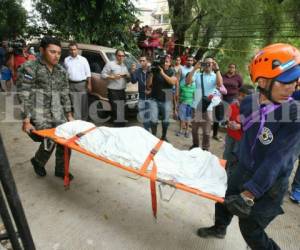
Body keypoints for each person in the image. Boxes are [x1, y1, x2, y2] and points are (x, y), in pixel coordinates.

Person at [197, 43, 300, 250]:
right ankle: (220, 227)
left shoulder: (293, 115)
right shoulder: (247, 103)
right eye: (286, 82)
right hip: (243, 168)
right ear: (262, 81)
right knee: (225, 199)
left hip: (270, 183)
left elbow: (277, 160)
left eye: (295, 80)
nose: (293, 87)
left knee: (250, 228)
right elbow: (251, 132)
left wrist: (250, 192)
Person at [16, 36, 74, 180]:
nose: (56, 56)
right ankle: (38, 161)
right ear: (42, 50)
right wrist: (27, 120)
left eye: (59, 53)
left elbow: (65, 94)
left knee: (67, 139)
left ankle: (60, 169)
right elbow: (24, 94)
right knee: (51, 139)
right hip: (39, 113)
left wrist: (69, 116)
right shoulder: (29, 68)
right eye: (52, 52)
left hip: (57, 111)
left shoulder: (61, 70)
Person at [186, 57, 223, 151]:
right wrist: (194, 68)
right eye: (206, 63)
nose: (208, 65)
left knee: (206, 132)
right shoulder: (198, 74)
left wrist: (217, 69)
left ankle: (205, 148)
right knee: (194, 129)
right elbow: (187, 82)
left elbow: (220, 84)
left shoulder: (215, 75)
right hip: (196, 106)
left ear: (213, 64)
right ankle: (195, 145)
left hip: (208, 107)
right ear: (203, 64)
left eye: (210, 63)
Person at [222, 86, 254, 177]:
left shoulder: (251, 110)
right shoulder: (232, 106)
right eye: (239, 95)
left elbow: (252, 125)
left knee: (236, 156)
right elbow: (226, 117)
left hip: (241, 139)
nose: (240, 98)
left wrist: (239, 126)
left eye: (243, 96)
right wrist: (228, 122)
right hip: (230, 135)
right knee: (227, 153)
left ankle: (231, 174)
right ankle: (224, 170)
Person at [147, 56, 177, 141]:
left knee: (166, 121)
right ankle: (153, 136)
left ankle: (164, 136)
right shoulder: (155, 71)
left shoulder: (172, 71)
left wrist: (162, 73)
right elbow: (148, 86)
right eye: (163, 62)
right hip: (154, 99)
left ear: (170, 63)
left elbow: (172, 82)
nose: (165, 63)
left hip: (166, 100)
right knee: (153, 120)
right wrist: (151, 73)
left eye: (167, 61)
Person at [101, 49, 130, 127]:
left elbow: (127, 79)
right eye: (119, 55)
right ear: (116, 56)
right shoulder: (110, 64)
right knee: (117, 111)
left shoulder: (124, 66)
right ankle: (117, 129)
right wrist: (112, 77)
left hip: (122, 91)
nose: (121, 57)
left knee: (123, 110)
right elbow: (103, 75)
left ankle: (121, 128)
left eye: (122, 56)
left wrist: (128, 76)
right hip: (113, 91)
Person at [64, 41, 91, 121]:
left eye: (74, 49)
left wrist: (89, 84)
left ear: (77, 50)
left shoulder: (83, 60)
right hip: (71, 84)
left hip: (82, 84)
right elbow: (65, 73)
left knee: (83, 103)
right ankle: (78, 122)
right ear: (69, 50)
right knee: (75, 104)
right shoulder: (66, 60)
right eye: (71, 50)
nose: (73, 51)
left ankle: (84, 120)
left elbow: (88, 73)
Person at [130, 56, 151, 131]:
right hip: (142, 96)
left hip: (150, 96)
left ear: (147, 61)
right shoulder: (138, 71)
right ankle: (147, 130)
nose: (142, 62)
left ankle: (148, 130)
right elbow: (133, 81)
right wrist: (132, 72)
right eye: (140, 61)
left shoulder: (151, 71)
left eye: (143, 60)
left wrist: (150, 91)